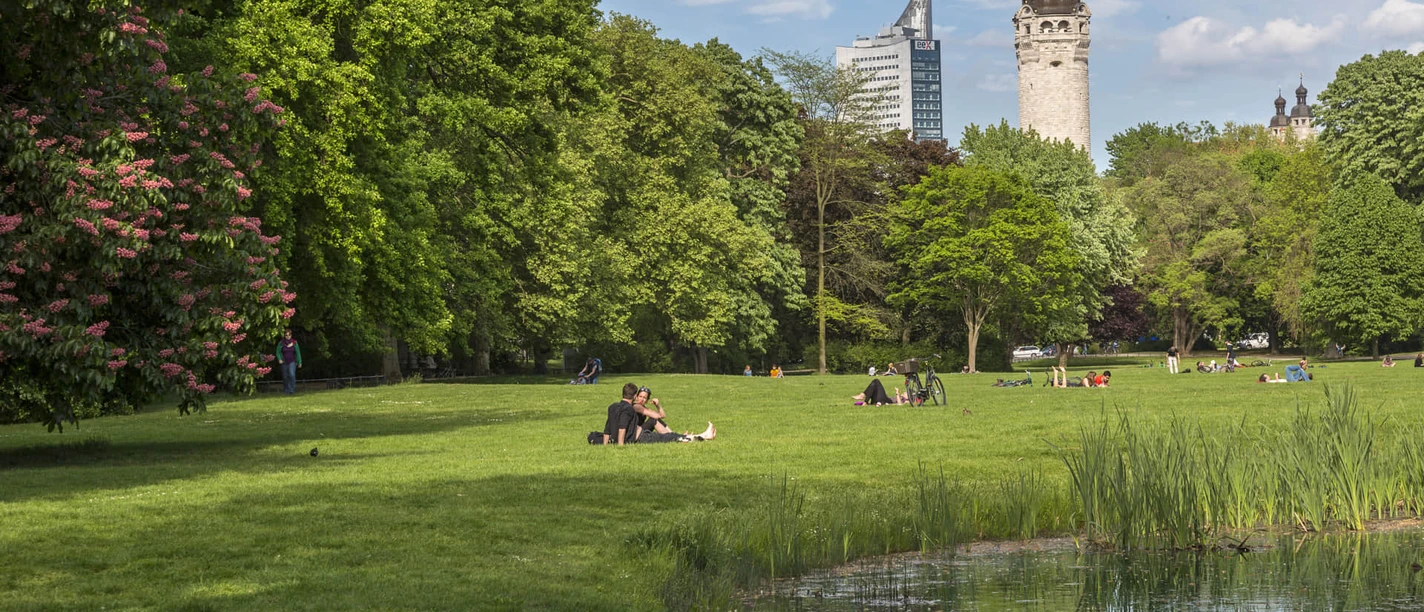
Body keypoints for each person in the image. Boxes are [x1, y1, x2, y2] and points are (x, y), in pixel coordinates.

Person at [631, 387, 715, 443]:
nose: (642, 399)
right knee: (653, 420)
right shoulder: (636, 406)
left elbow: (662, 416)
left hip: (639, 431)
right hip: (635, 433)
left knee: (656, 420)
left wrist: (658, 405)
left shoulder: (644, 408)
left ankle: (675, 436)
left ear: (647, 400)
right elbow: (657, 416)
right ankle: (678, 437)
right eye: (640, 396)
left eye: (644, 398)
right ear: (636, 397)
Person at [275, 329, 302, 395]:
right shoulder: (281, 343)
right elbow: (278, 352)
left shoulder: (294, 342)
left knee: (292, 374)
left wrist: (299, 362)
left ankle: (291, 390)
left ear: (291, 335)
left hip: (292, 361)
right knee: (285, 376)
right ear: (284, 335)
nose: (287, 336)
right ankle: (286, 390)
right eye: (286, 335)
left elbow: (298, 353)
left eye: (289, 335)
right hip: (284, 361)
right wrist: (279, 359)